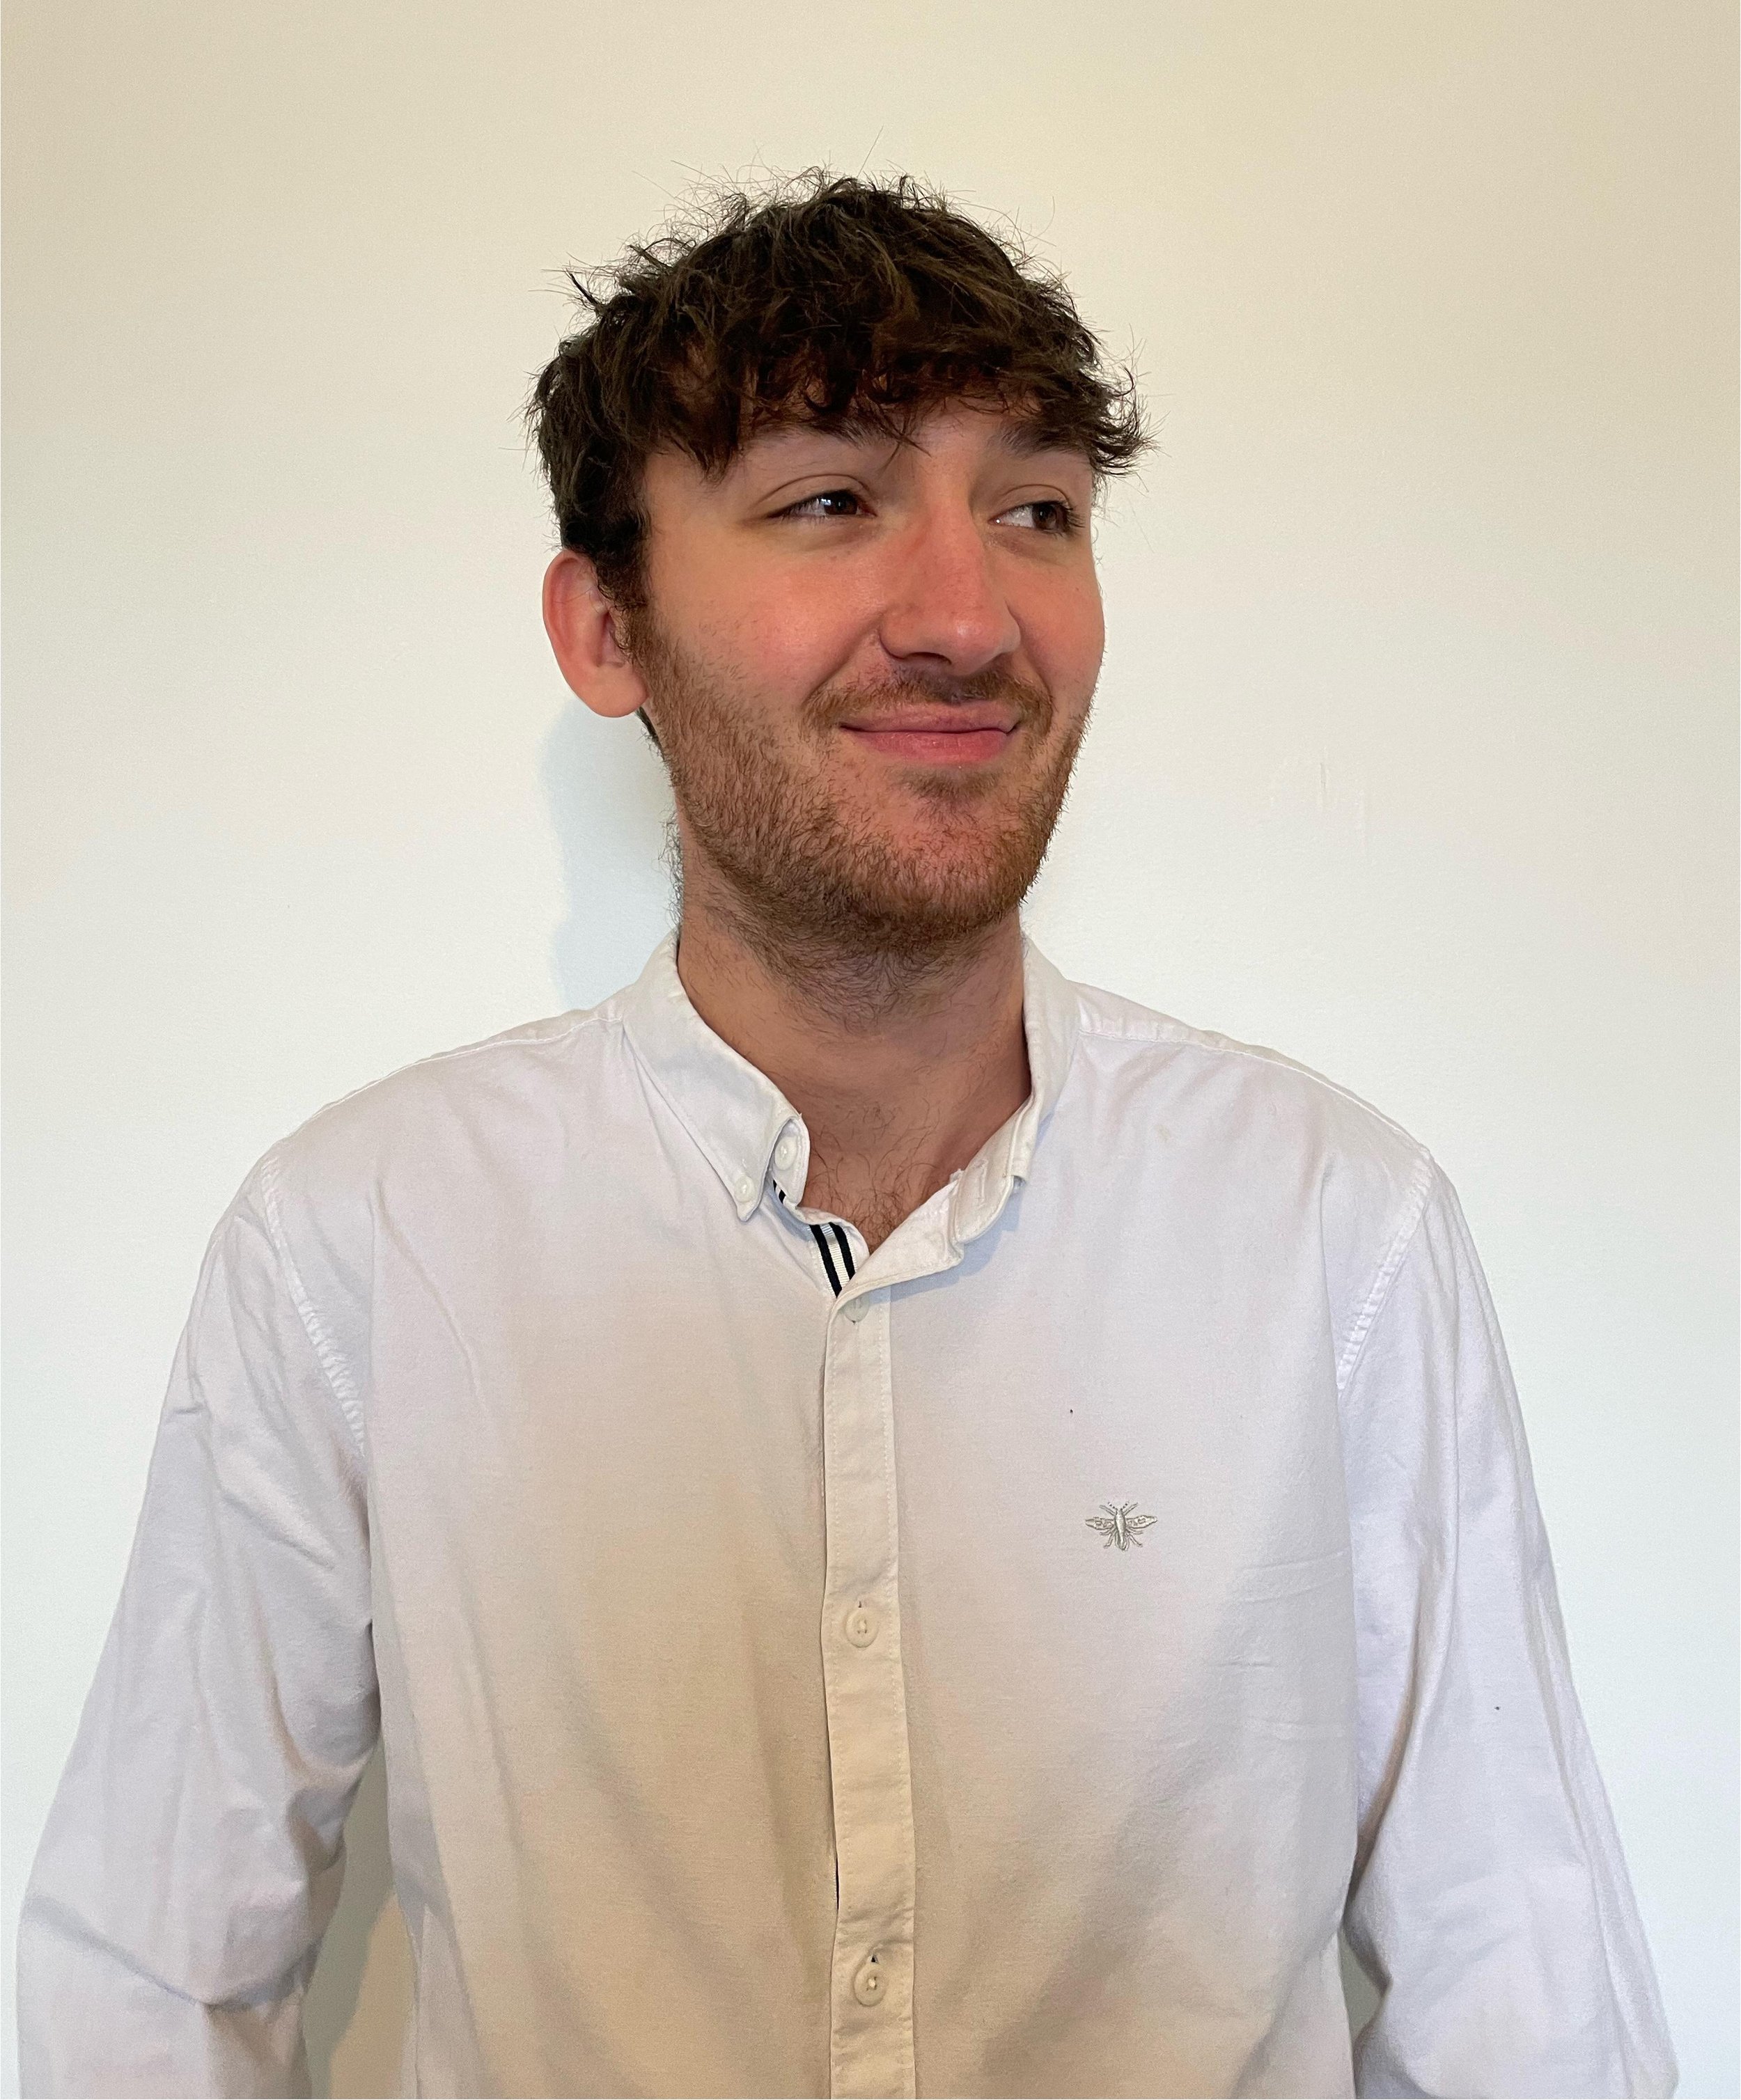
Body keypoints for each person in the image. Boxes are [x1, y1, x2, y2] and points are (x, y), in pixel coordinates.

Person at [17, 172, 1676, 2100]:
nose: (969, 619)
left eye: (1037, 511)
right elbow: (147, 1989)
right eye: (829, 501)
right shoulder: (365, 1242)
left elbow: (1526, 2007)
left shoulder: (1333, 1230)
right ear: (607, 629)